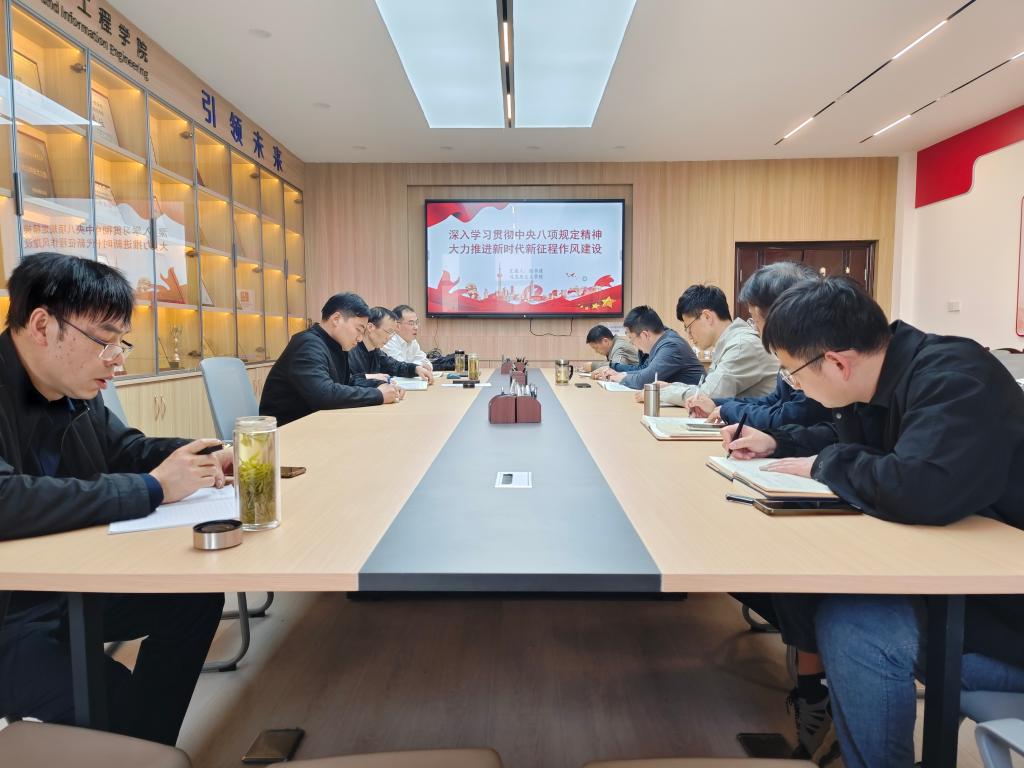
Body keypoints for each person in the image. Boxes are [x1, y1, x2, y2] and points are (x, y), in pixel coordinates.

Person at [723, 277, 1024, 768]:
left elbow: (918, 486)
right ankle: (830, 722)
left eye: (793, 374)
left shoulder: (954, 378)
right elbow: (850, 441)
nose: (795, 386)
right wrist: (780, 443)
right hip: (960, 582)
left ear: (838, 363)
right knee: (808, 580)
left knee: (856, 625)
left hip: (1005, 614)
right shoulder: (884, 376)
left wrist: (826, 463)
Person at [0, 252, 227, 746]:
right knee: (114, 701)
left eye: (121, 343)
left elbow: (126, 449)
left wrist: (206, 455)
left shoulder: (73, 387)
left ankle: (144, 748)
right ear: (42, 325)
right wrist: (153, 487)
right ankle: (136, 745)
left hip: (65, 585)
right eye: (105, 341)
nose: (118, 360)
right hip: (10, 612)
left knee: (193, 599)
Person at [688, 263, 832, 430]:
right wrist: (718, 404)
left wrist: (727, 410)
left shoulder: (811, 356)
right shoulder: (793, 352)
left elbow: (791, 417)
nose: (755, 329)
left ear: (780, 317)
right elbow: (775, 401)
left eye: (755, 320)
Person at [260, 292, 403, 426]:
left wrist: (380, 386)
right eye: (359, 329)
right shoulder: (308, 344)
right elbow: (323, 394)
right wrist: (378, 395)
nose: (360, 338)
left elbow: (347, 382)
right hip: (288, 429)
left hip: (315, 423)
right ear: (336, 319)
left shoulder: (336, 345)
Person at [651, 284, 778, 407]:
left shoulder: (741, 345)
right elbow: (708, 388)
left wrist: (661, 392)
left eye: (689, 327)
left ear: (707, 317)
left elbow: (708, 396)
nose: (689, 336)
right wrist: (671, 387)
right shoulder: (730, 343)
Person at [591, 305, 703, 388]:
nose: (631, 343)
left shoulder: (671, 346)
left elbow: (644, 380)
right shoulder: (662, 341)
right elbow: (646, 371)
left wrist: (618, 377)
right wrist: (620, 374)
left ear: (645, 335)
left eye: (631, 338)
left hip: (695, 406)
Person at [348, 307, 433, 386]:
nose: (390, 337)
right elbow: (346, 382)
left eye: (392, 333)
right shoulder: (350, 351)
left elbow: (395, 366)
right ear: (370, 327)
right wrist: (370, 378)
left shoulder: (376, 351)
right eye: (389, 331)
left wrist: (415, 369)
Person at [382, 304, 432, 369]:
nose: (416, 327)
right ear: (397, 326)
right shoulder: (389, 341)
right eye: (411, 323)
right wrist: (418, 367)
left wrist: (418, 367)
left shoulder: (413, 341)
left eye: (416, 323)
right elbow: (401, 368)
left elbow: (426, 362)